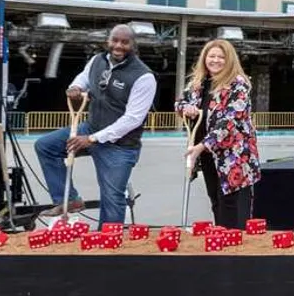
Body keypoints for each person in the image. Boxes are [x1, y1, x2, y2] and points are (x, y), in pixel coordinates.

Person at [35, 25, 155, 226]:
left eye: (124, 42)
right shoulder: (97, 60)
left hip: (120, 145)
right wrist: (75, 87)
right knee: (46, 146)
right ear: (108, 41)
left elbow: (132, 119)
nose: (118, 45)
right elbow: (84, 77)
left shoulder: (144, 77)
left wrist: (92, 139)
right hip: (90, 128)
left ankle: (107, 244)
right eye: (114, 40)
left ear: (133, 45)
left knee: (112, 197)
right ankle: (70, 200)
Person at [175, 39, 261, 229]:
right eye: (211, 56)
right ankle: (221, 239)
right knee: (215, 200)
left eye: (221, 57)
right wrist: (186, 108)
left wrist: (202, 145)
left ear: (229, 60)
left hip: (234, 155)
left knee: (231, 202)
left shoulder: (239, 85)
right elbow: (180, 103)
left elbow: (229, 121)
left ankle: (234, 243)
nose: (216, 60)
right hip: (208, 154)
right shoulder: (198, 83)